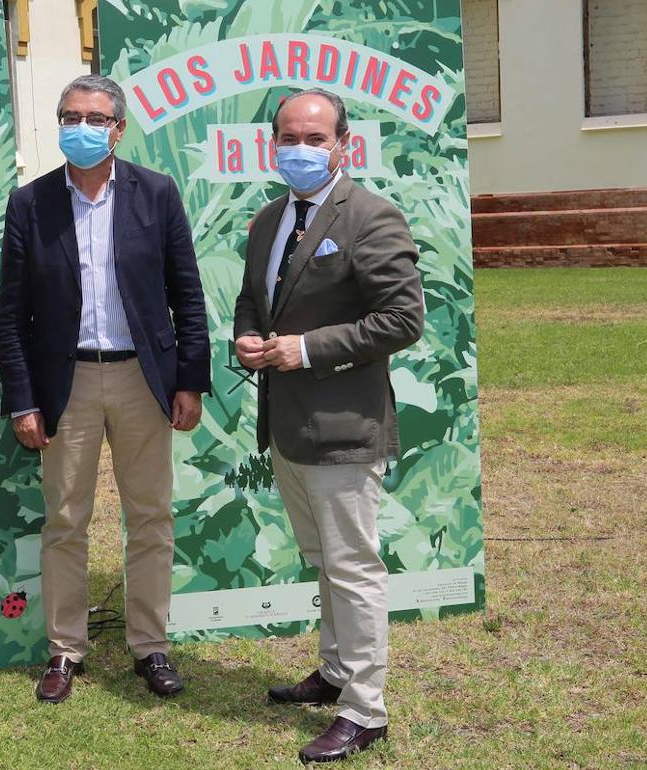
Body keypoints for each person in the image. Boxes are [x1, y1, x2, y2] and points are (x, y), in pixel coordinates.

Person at [0, 74, 210, 705]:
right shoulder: (30, 203)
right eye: (69, 116)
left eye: (94, 118)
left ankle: (151, 646)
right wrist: (23, 397)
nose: (81, 128)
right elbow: (11, 316)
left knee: (150, 516)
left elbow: (187, 295)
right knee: (66, 520)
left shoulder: (157, 194)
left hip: (144, 378)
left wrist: (190, 380)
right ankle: (65, 649)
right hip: (68, 383)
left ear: (118, 129)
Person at [233, 88, 424, 764]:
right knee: (325, 563)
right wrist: (249, 340)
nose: (301, 149)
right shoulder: (267, 220)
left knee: (352, 568)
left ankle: (365, 709)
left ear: (344, 142)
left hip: (344, 427)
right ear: (273, 144)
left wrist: (305, 348)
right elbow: (251, 304)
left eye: (315, 138)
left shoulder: (372, 216)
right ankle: (336, 670)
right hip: (287, 427)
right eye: (290, 137)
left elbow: (403, 320)